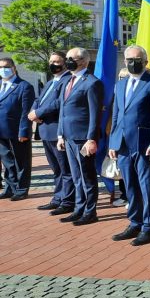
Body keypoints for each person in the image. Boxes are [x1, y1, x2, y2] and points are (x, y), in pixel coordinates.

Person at [108, 46, 150, 246]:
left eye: (137, 58)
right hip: (122, 144)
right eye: (129, 59)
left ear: (146, 60)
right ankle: (135, 221)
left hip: (143, 144)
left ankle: (149, 227)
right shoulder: (121, 84)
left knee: (146, 187)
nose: (133, 62)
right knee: (130, 186)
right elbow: (116, 114)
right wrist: (113, 141)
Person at [57, 48, 104, 226]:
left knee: (87, 176)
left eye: (72, 58)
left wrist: (91, 138)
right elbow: (63, 109)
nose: (67, 61)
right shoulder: (68, 81)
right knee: (76, 176)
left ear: (83, 61)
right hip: (68, 137)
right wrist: (60, 134)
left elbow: (95, 114)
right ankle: (79, 208)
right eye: (67, 58)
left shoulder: (92, 83)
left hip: (83, 138)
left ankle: (90, 211)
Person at [31, 51, 76, 214]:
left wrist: (39, 113)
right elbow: (38, 100)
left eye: (57, 62)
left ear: (64, 63)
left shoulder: (67, 80)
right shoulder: (50, 82)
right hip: (44, 130)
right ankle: (58, 198)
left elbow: (59, 102)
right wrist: (33, 112)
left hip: (57, 130)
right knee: (56, 169)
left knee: (65, 169)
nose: (53, 64)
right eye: (51, 61)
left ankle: (68, 201)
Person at [0, 58, 35, 201]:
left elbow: (26, 111)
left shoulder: (24, 86)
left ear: (14, 68)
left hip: (17, 132)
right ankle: (10, 187)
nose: (3, 69)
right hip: (1, 131)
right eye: (0, 67)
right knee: (7, 162)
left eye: (6, 66)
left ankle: (21, 189)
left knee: (21, 162)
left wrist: (24, 131)